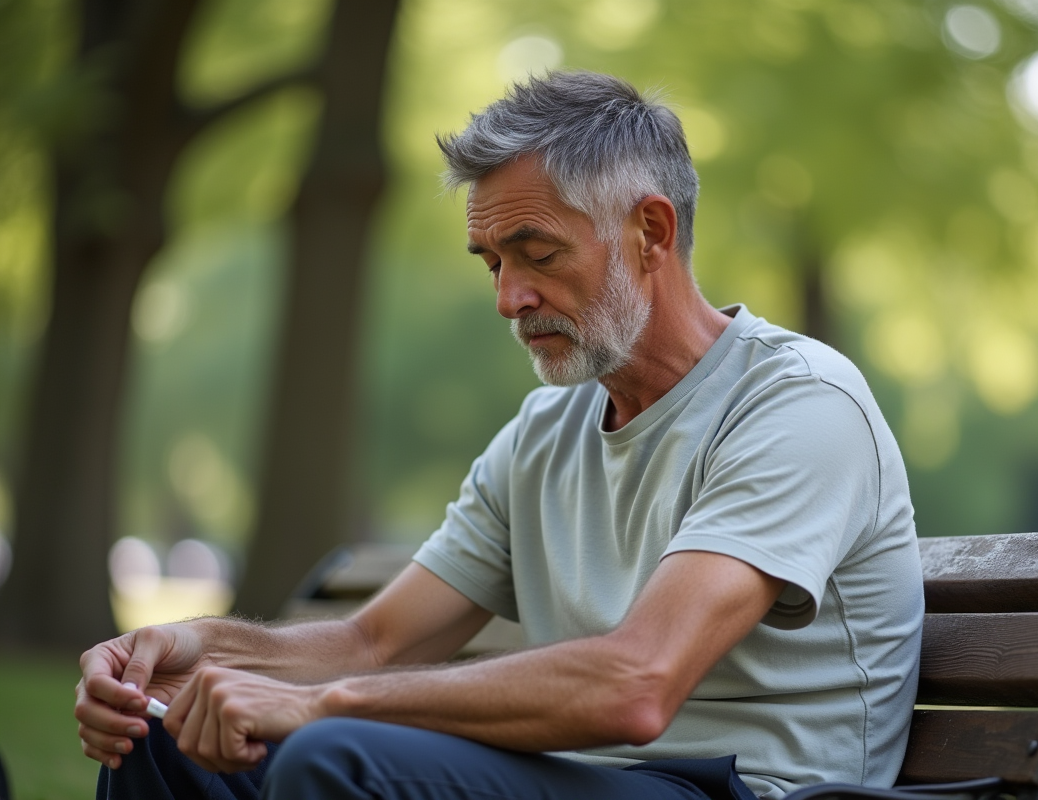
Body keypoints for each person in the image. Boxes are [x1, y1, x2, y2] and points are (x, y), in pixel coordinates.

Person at [75, 71, 923, 800]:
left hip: (743, 787)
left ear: (651, 233)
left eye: (538, 254)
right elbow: (372, 643)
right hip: (586, 777)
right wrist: (196, 651)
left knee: (340, 754)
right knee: (157, 740)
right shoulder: (545, 431)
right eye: (492, 262)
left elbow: (639, 683)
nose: (509, 298)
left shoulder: (797, 405)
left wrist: (328, 705)